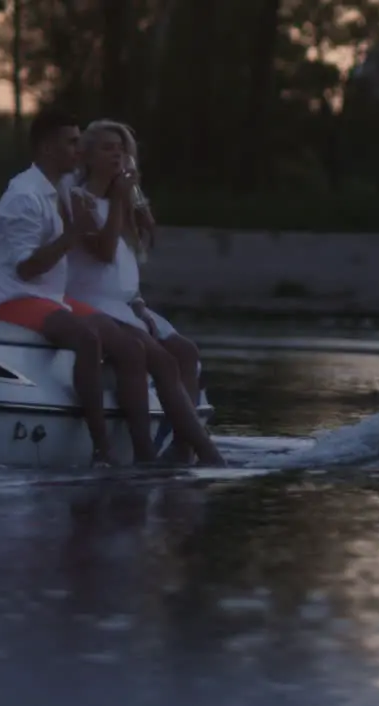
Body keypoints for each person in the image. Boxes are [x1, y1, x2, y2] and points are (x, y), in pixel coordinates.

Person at [0, 108, 161, 467]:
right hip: (18, 298)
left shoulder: (58, 191)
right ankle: (101, 449)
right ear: (48, 149)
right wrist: (73, 234)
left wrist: (135, 205)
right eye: (72, 143)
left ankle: (145, 453)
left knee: (129, 346)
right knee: (87, 338)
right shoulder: (23, 196)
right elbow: (26, 268)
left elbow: (102, 197)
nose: (79, 151)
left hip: (51, 298)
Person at [61, 119, 224, 466]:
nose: (116, 154)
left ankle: (184, 448)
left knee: (186, 352)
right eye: (107, 148)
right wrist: (119, 200)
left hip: (125, 303)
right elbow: (102, 253)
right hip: (88, 300)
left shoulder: (123, 204)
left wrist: (132, 200)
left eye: (121, 149)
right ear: (87, 156)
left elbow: (134, 255)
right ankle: (192, 453)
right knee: (159, 360)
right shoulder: (78, 199)